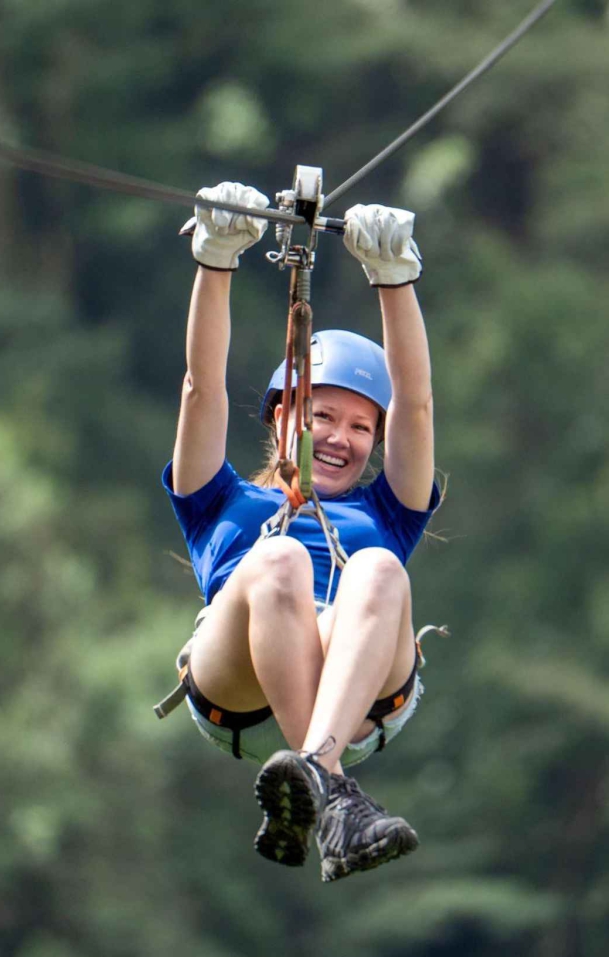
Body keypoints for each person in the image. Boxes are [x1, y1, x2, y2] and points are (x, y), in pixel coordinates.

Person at [162, 181, 441, 882]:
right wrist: (216, 258)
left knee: (379, 568)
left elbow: (417, 405)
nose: (341, 438)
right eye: (321, 416)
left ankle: (316, 775)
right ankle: (334, 792)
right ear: (282, 417)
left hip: (358, 701)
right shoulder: (218, 501)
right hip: (241, 689)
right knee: (280, 558)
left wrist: (394, 278)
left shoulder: (384, 514)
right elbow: (202, 385)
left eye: (358, 426)